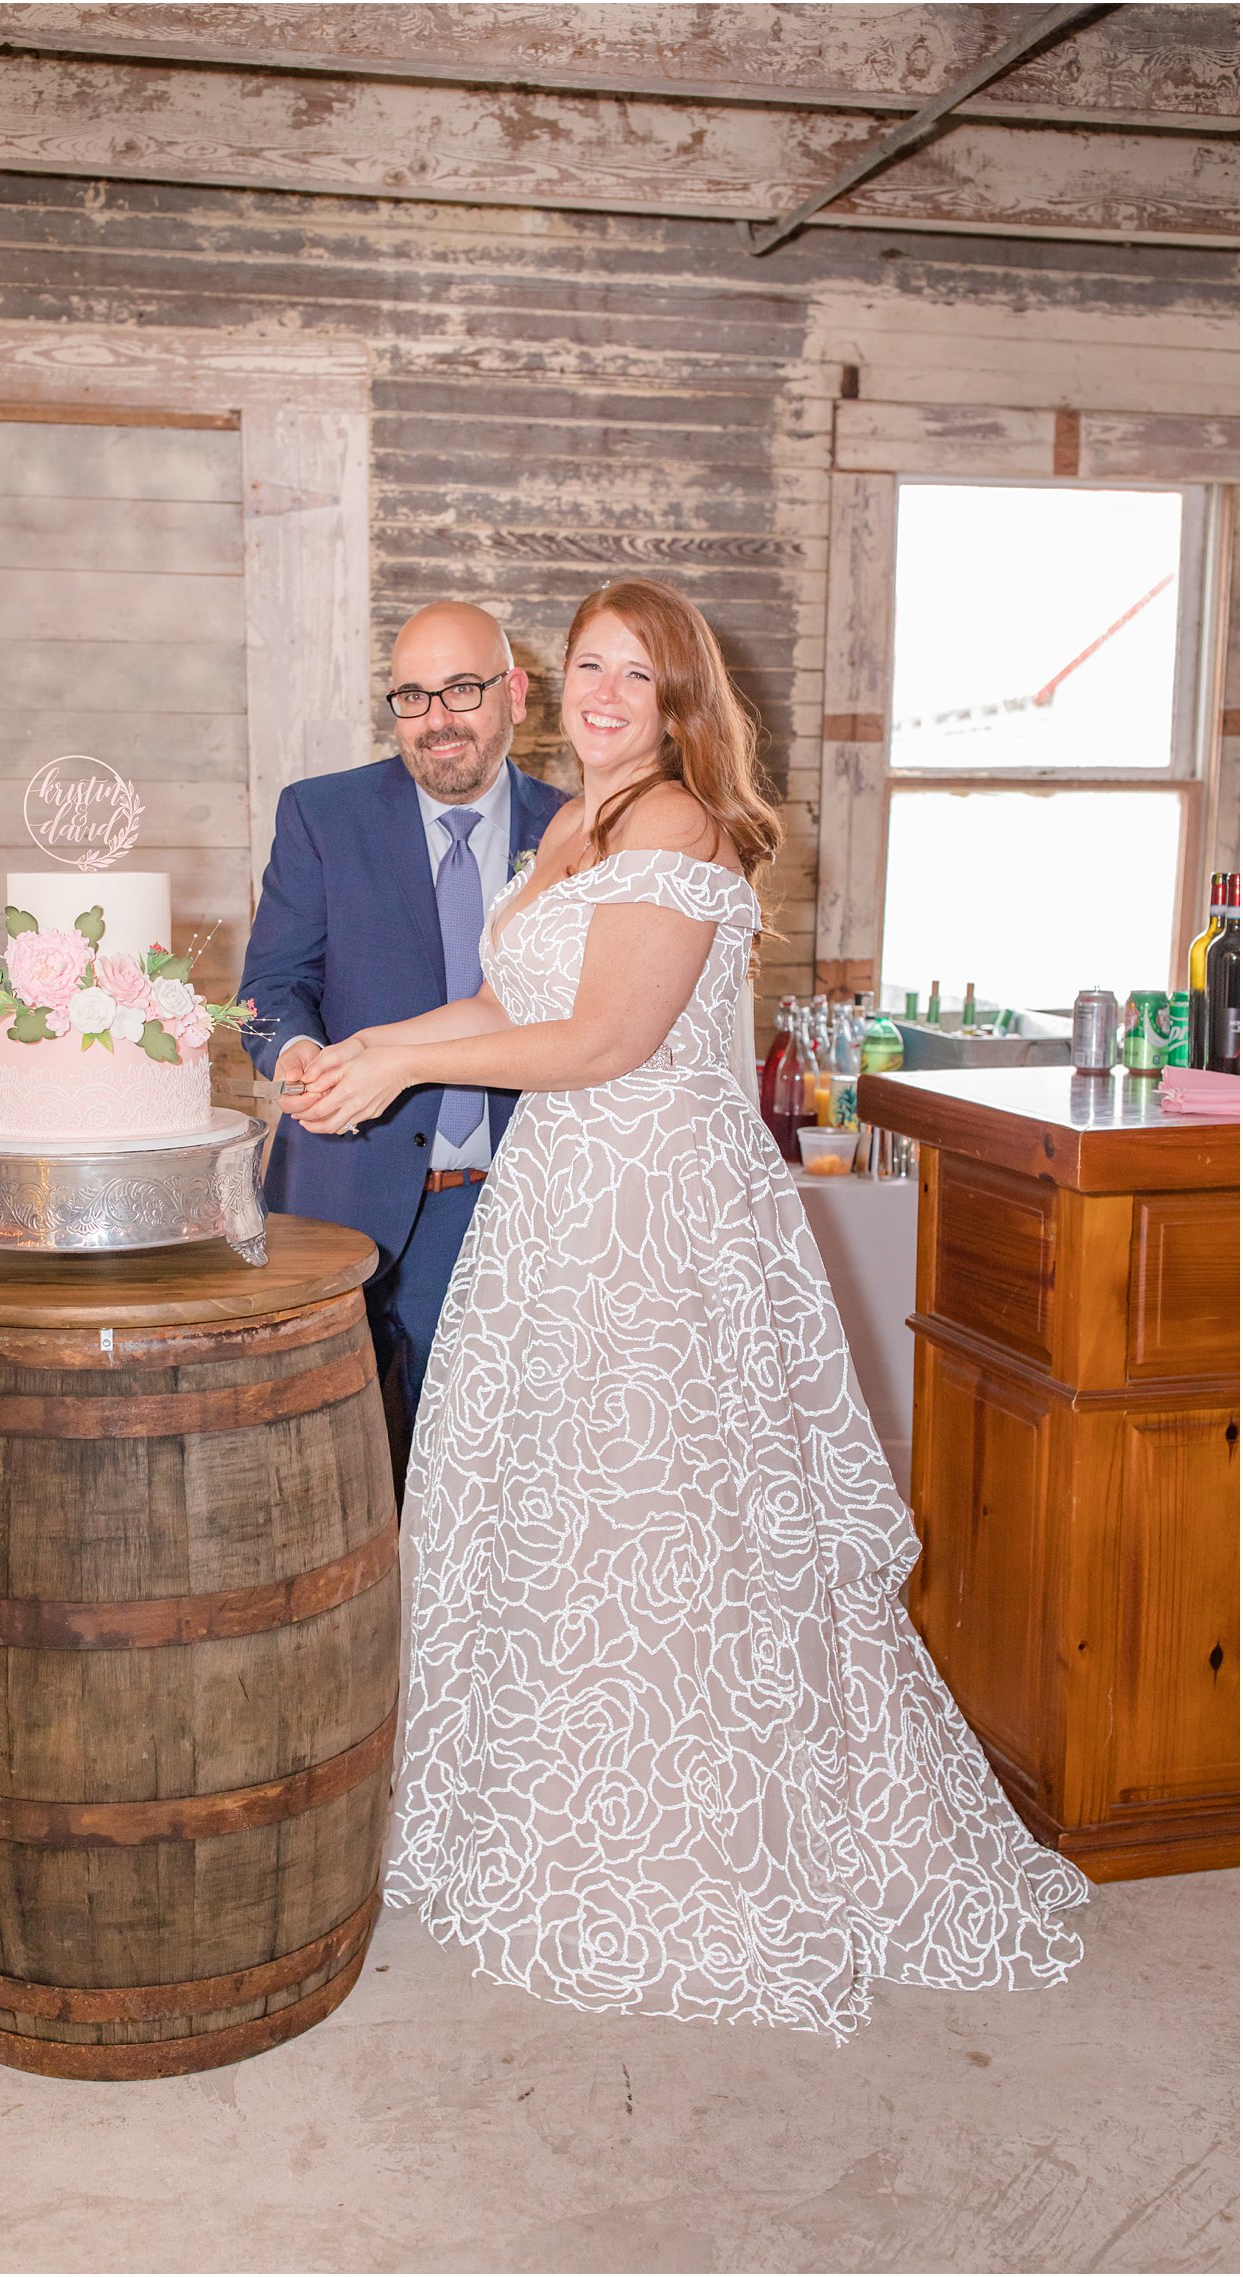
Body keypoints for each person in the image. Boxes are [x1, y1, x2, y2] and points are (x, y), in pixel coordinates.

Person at [285, 578, 1090, 2040]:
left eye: (634, 678)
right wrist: (372, 1049)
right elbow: (499, 1003)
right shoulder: (569, 832)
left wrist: (401, 1072)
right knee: (558, 1522)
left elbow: (605, 1038)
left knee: (663, 1529)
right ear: (551, 682)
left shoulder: (670, 824)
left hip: (649, 1217)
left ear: (677, 705)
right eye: (587, 665)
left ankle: (695, 1847)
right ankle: (546, 1810)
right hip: (557, 1212)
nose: (603, 694)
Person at [238, 601, 566, 1439]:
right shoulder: (320, 815)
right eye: (411, 697)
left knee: (476, 1469)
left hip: (511, 1208)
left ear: (516, 694)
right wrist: (300, 1053)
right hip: (334, 1197)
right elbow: (271, 987)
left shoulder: (576, 832)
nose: (436, 721)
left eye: (461, 689)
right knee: (327, 1476)